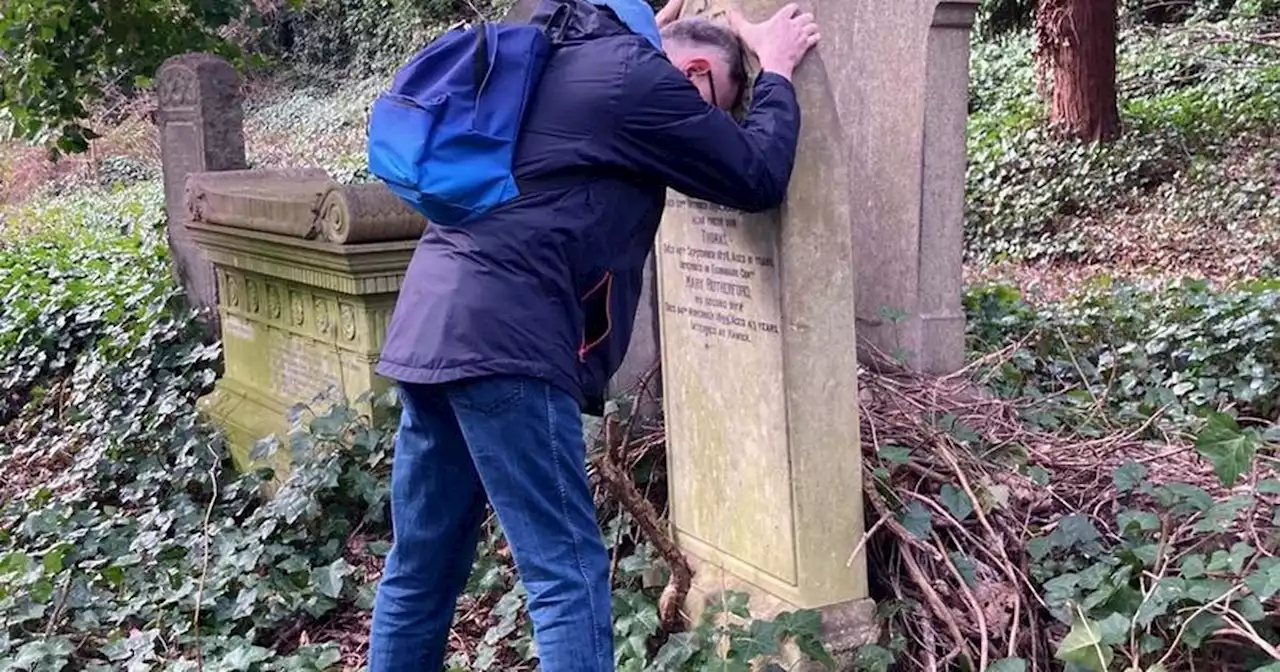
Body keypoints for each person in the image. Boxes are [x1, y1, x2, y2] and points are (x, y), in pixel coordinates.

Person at [367, 0, 820, 669]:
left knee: (420, 568)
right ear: (695, 73)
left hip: (431, 330)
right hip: (509, 341)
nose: (709, 123)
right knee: (568, 574)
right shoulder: (636, 80)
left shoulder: (549, 44)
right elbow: (755, 176)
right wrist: (776, 71)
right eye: (720, 106)